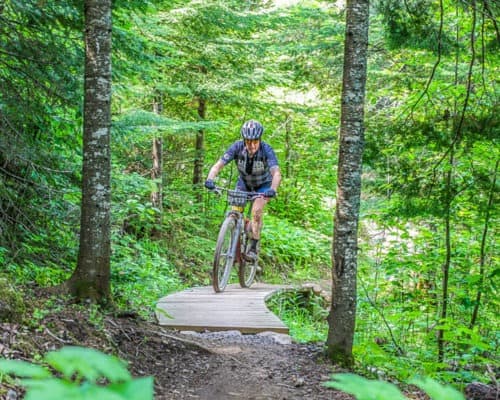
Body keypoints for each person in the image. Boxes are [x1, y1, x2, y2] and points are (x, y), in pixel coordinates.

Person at [205, 120, 282, 261]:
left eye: (255, 141)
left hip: (263, 186)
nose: (252, 145)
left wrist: (273, 189)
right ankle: (234, 243)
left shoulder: (267, 150)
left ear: (260, 139)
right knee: (235, 212)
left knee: (256, 212)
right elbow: (218, 166)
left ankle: (253, 246)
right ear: (244, 140)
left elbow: (276, 173)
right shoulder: (237, 147)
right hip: (244, 184)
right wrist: (210, 179)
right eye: (248, 141)